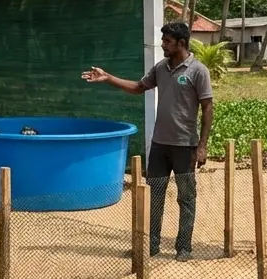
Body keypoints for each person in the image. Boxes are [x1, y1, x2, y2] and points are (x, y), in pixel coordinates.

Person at [82, 22, 213, 261]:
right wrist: (108, 77)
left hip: (185, 146)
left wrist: (202, 146)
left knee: (186, 197)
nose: (163, 45)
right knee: (154, 196)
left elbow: (207, 108)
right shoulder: (161, 68)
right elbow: (138, 87)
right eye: (163, 40)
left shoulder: (198, 71)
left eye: (167, 42)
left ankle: (184, 248)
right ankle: (151, 246)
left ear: (181, 43)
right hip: (160, 145)